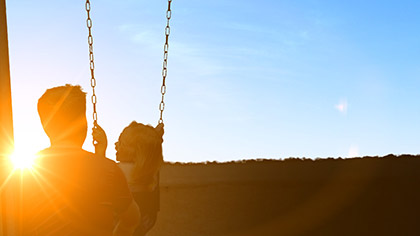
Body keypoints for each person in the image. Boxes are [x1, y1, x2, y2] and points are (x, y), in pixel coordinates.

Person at [21, 84, 140, 236]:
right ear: (84, 123)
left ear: (45, 126)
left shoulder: (28, 172)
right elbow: (132, 219)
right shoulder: (109, 169)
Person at [93, 121, 164, 236]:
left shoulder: (120, 171)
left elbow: (101, 174)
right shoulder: (151, 171)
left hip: (120, 224)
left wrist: (101, 149)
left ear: (133, 150)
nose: (116, 144)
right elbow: (149, 149)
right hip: (143, 223)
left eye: (121, 142)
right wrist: (156, 137)